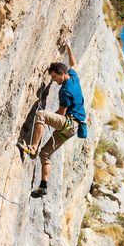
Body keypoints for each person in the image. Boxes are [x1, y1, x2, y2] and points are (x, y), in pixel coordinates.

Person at [18, 39, 86, 198]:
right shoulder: (73, 77)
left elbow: (61, 114)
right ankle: (43, 186)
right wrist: (69, 46)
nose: (54, 81)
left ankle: (33, 147)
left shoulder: (65, 92)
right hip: (72, 130)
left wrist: (48, 118)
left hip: (68, 124)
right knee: (45, 154)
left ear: (62, 74)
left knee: (41, 114)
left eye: (55, 77)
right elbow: (73, 63)